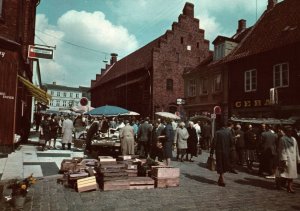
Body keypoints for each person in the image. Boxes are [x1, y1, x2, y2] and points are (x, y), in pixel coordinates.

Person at [277, 126, 300, 193]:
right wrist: (284, 159)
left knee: (291, 174)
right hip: (287, 159)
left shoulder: (294, 139)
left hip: (293, 159)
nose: (290, 132)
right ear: (286, 131)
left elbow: (296, 149)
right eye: (288, 131)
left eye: (291, 131)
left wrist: (298, 158)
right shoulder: (283, 139)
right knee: (285, 173)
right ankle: (281, 185)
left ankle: (289, 187)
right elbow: (282, 150)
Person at [210, 121, 233, 187]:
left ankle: (221, 178)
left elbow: (214, 143)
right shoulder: (229, 133)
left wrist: (211, 152)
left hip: (219, 151)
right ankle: (221, 178)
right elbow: (232, 143)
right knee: (224, 164)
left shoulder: (217, 132)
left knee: (220, 164)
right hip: (226, 151)